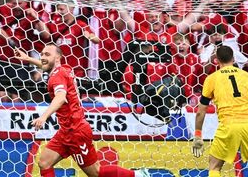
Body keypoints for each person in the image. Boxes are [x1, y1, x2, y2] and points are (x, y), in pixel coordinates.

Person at [15, 44, 148, 177]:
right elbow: (46, 65)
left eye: (47, 55)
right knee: (44, 163)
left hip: (76, 132)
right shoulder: (65, 69)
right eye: (42, 54)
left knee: (96, 172)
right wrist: (28, 58)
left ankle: (138, 175)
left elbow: (60, 98)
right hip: (65, 130)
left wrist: (43, 117)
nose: (43, 57)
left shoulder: (56, 77)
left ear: (58, 58)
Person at [192, 45, 248, 177]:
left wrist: (198, 135)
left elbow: (201, 111)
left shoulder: (211, 79)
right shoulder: (247, 76)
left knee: (214, 167)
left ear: (216, 60)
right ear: (233, 59)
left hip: (228, 125)